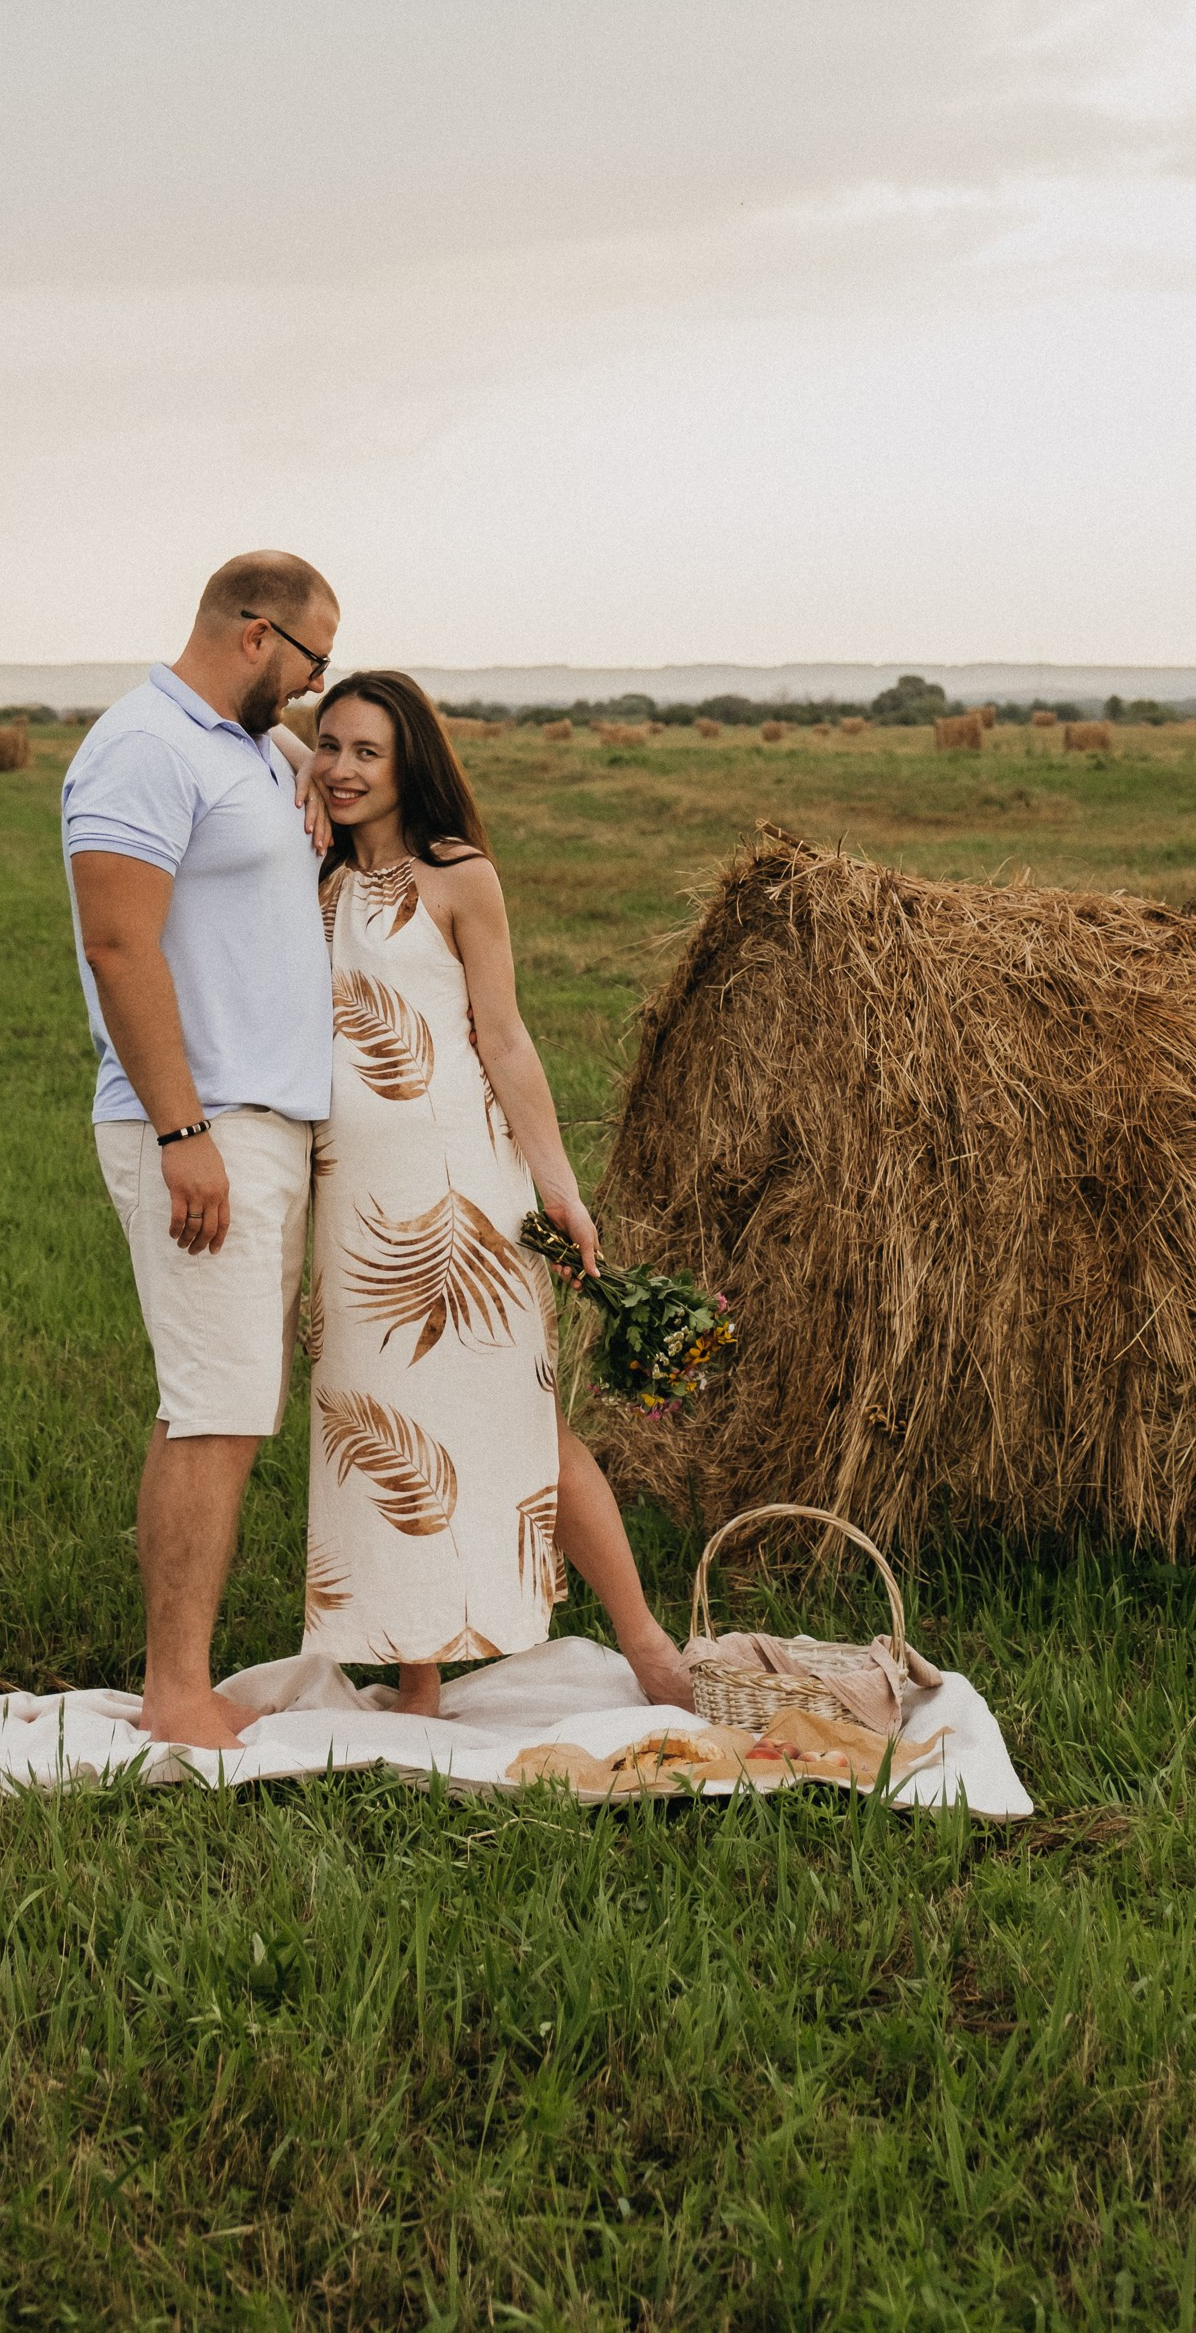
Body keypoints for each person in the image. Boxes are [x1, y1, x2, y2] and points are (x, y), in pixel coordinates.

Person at [293, 670, 693, 1715]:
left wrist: (558, 1185)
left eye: (364, 751)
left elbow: (503, 1039)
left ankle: (645, 1642)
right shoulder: (316, 873)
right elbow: (273, 758)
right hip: (350, 1201)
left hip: (463, 1192)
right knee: (372, 1421)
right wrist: (297, 760)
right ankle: (415, 1671)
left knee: (520, 1425)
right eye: (325, 745)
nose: (338, 768)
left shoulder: (459, 875)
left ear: (409, 760)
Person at [62, 550, 341, 1749]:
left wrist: (309, 773)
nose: (315, 690)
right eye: (312, 662)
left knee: (234, 1400)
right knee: (212, 1407)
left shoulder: (241, 747)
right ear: (255, 633)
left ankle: (189, 1675)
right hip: (199, 1120)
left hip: (261, 1119)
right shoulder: (141, 746)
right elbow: (119, 946)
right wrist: (183, 1131)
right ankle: (176, 1688)